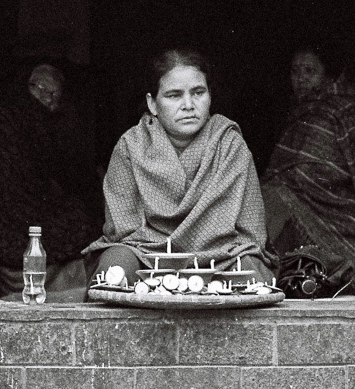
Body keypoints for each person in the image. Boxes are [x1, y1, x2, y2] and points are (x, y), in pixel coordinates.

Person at [84, 49, 269, 281]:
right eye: (174, 95)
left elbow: (249, 231)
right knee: (115, 268)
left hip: (223, 256)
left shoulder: (230, 144)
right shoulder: (131, 146)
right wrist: (166, 258)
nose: (188, 105)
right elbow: (122, 230)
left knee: (251, 274)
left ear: (210, 95)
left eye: (198, 92)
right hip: (145, 254)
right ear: (152, 103)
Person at [0, 64, 102, 298]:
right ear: (27, 87)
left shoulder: (24, 116)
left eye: (54, 96)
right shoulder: (14, 115)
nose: (47, 99)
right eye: (42, 90)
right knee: (76, 222)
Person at [261, 43, 355, 285]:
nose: (301, 79)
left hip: (346, 212)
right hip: (300, 200)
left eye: (309, 71)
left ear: (327, 73)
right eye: (295, 71)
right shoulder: (299, 111)